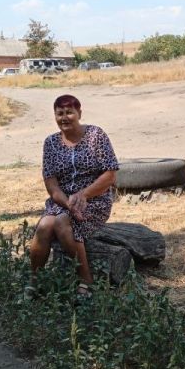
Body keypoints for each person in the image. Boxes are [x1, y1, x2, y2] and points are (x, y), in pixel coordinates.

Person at [29, 94, 118, 295]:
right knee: (44, 226)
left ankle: (85, 280)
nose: (64, 117)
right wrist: (69, 203)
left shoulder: (96, 135)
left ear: (79, 113)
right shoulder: (50, 143)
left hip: (94, 200)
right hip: (61, 201)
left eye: (69, 112)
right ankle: (34, 281)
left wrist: (83, 195)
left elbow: (110, 174)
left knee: (61, 222)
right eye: (59, 113)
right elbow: (50, 183)